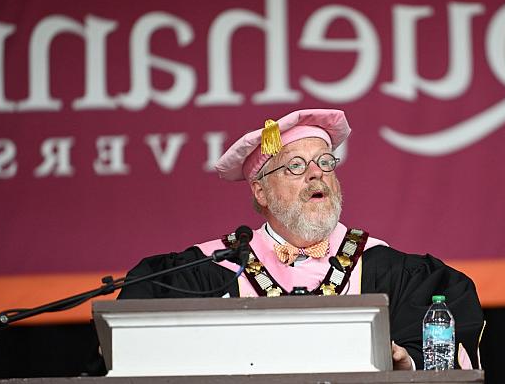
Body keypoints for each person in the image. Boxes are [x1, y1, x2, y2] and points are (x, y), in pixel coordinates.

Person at [117, 109, 484, 370]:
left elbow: (440, 347)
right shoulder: (212, 269)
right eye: (295, 166)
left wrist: (408, 361)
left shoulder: (390, 271)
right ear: (260, 191)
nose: (316, 175)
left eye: (326, 163)